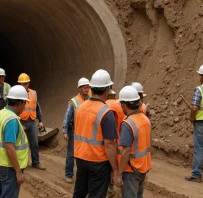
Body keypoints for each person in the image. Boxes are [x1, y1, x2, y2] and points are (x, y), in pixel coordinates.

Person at [73, 69, 118, 198]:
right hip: (98, 162)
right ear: (107, 88)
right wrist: (114, 169)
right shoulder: (106, 113)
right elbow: (109, 145)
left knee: (79, 193)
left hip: (81, 158)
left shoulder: (80, 107)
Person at [0, 85, 29, 198]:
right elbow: (9, 147)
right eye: (25, 103)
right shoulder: (12, 120)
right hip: (8, 166)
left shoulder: (1, 113)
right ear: (20, 103)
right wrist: (18, 171)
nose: (25, 106)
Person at [115, 86, 151, 198]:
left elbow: (125, 151)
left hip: (131, 169)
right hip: (142, 167)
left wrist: (119, 174)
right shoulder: (145, 119)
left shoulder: (128, 124)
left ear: (124, 105)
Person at [62, 77, 90, 183]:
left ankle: (83, 175)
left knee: (85, 154)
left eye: (87, 87)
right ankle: (69, 174)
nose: (86, 89)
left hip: (87, 131)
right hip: (75, 131)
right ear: (79, 88)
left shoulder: (90, 99)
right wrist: (65, 131)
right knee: (71, 153)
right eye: (84, 87)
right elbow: (67, 117)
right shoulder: (74, 101)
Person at [17, 73, 46, 170]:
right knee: (21, 144)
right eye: (21, 84)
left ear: (28, 84)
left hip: (32, 121)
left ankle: (36, 162)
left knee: (34, 143)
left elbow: (37, 107)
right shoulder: (16, 94)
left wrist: (40, 120)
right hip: (21, 121)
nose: (23, 86)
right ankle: (20, 163)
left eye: (25, 84)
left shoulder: (33, 93)